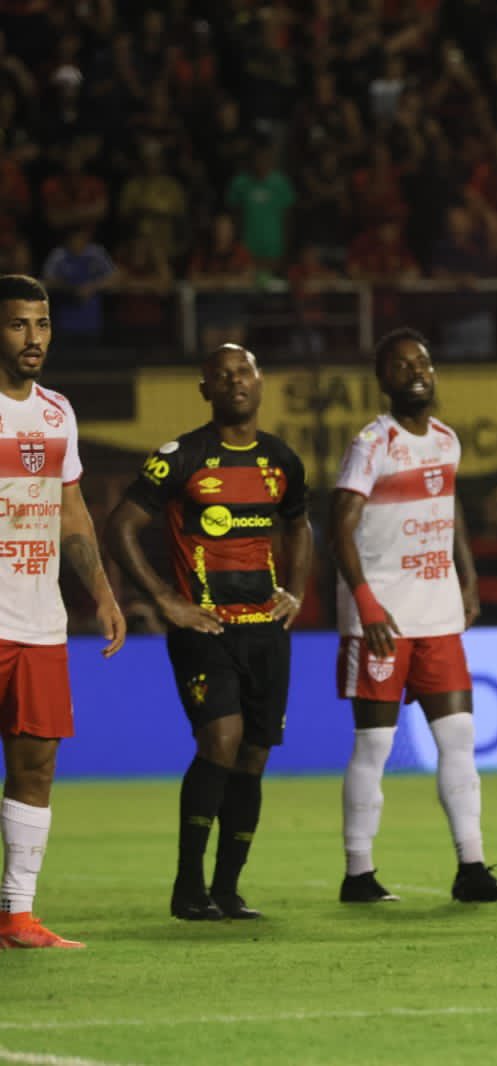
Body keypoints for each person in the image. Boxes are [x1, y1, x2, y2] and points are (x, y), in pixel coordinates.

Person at [107, 344, 312, 921]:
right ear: (205, 390)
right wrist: (166, 599)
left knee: (253, 756)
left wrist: (294, 590)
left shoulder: (281, 460)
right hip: (206, 629)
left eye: (243, 370)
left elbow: (299, 526)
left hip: (266, 634)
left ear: (260, 379)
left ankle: (227, 889)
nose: (234, 382)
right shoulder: (183, 456)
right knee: (219, 743)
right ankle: (187, 887)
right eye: (220, 376)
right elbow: (120, 526)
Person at [330, 328, 497, 906]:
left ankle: (472, 867)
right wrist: (364, 602)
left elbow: (450, 508)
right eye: (402, 364)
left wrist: (466, 573)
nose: (417, 370)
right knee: (375, 745)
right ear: (384, 380)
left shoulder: (445, 440)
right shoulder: (374, 443)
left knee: (459, 735)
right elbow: (338, 523)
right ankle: (358, 873)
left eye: (424, 362)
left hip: (437, 613)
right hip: (383, 618)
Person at [0, 275, 126, 949]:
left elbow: (71, 509)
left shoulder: (57, 413)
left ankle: (17, 916)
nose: (34, 339)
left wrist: (101, 593)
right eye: (19, 325)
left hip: (39, 621)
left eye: (42, 325)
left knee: (36, 765)